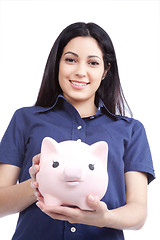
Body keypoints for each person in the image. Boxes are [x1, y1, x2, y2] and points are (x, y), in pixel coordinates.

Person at [0, 22, 155, 240]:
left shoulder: (130, 130)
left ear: (105, 71)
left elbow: (138, 213)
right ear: (57, 64)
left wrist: (103, 218)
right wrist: (40, 182)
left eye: (93, 62)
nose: (80, 71)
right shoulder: (25, 119)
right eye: (70, 60)